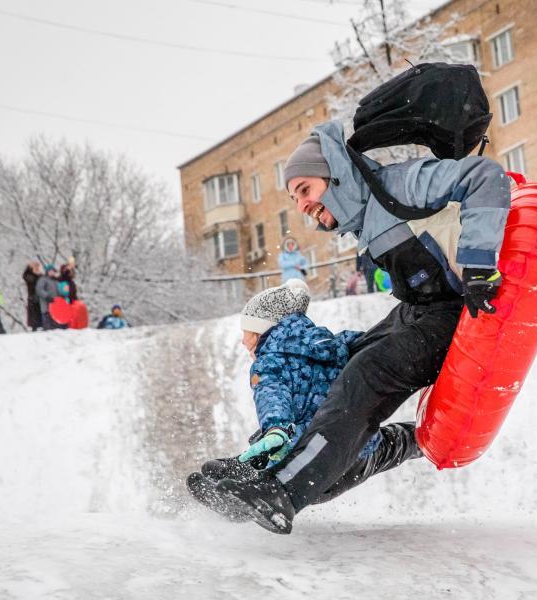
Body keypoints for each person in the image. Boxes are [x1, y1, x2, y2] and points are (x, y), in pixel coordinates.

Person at [207, 120, 509, 533]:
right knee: (349, 360)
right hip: (419, 309)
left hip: (454, 310)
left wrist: (478, 264)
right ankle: (269, 466)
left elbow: (485, 175)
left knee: (366, 375)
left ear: (333, 174)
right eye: (295, 199)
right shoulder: (366, 217)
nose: (302, 206)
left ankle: (284, 492)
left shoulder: (396, 186)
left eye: (305, 190)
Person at [188, 279, 420, 512]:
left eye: (247, 332)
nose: (243, 341)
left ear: (264, 329)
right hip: (362, 451)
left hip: (314, 465)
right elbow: (375, 343)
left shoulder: (269, 362)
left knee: (281, 449)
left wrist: (276, 427)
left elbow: (272, 395)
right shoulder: (337, 344)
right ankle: (430, 435)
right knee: (400, 441)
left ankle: (247, 494)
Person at [35, 264, 60, 331]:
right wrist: (47, 296)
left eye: (53, 271)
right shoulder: (43, 280)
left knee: (56, 327)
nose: (52, 273)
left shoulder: (55, 281)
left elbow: (58, 292)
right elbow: (39, 290)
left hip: (55, 306)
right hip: (46, 306)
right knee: (47, 326)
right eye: (50, 271)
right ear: (47, 272)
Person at [22, 261, 44, 331]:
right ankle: (34, 328)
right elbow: (25, 276)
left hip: (40, 297)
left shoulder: (41, 276)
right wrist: (29, 267)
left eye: (38, 266)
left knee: (41, 314)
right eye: (35, 266)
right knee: (34, 315)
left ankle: (42, 327)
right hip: (32, 297)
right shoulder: (29, 276)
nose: (37, 268)